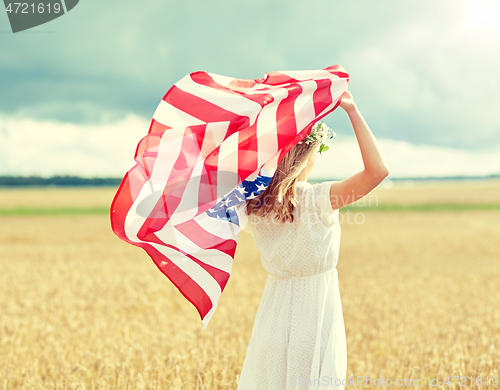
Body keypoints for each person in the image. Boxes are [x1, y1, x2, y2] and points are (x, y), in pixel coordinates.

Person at [235, 89, 389, 390]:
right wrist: (352, 111)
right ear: (307, 155)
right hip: (316, 315)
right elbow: (378, 172)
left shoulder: (253, 205)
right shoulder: (319, 199)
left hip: (273, 314)